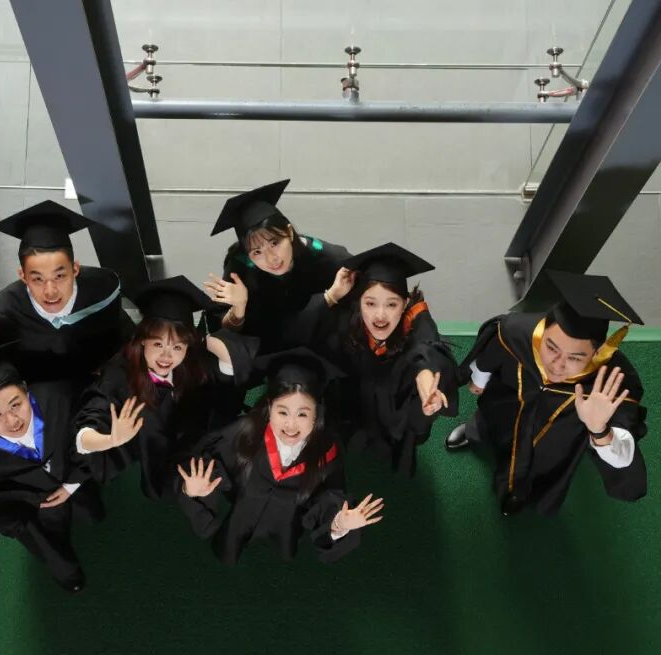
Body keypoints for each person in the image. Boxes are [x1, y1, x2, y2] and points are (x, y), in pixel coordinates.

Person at [445, 270, 648, 516]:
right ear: (542, 328)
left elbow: (625, 457)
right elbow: (492, 353)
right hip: (507, 407)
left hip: (554, 441)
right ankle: (475, 434)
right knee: (488, 425)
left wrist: (599, 430)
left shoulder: (614, 381)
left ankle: (518, 496)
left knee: (539, 472)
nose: (557, 365)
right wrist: (479, 380)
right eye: (551, 348)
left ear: (598, 353)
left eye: (575, 358)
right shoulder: (516, 331)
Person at [176, 349, 384, 565]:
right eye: (282, 412)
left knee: (282, 565)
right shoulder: (244, 434)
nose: (291, 425)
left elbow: (327, 500)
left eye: (302, 414)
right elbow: (211, 465)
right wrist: (191, 490)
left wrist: (339, 523)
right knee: (227, 557)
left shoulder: (326, 453)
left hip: (286, 535)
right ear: (269, 408)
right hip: (237, 527)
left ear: (317, 414)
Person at [0, 200, 134, 412]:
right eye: (37, 279)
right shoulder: (1, 312)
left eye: (60, 276)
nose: (50, 291)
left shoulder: (102, 291)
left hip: (98, 399)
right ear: (22, 276)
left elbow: (125, 339)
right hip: (37, 410)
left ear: (75, 269)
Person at [0, 344, 103, 592]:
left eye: (16, 405)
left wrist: (73, 483)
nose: (12, 421)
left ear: (26, 389)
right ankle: (68, 575)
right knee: (49, 547)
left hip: (71, 476)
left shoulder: (60, 395)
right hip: (27, 506)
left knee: (91, 511)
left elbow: (100, 418)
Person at [73, 275, 258, 500]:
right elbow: (87, 427)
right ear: (142, 340)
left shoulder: (191, 363)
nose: (166, 357)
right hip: (146, 448)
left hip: (186, 440)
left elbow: (230, 373)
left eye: (177, 347)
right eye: (158, 344)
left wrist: (207, 339)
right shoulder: (119, 374)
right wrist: (111, 439)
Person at [305, 242, 459, 479]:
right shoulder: (347, 317)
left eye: (391, 304)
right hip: (355, 397)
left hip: (392, 403)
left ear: (405, 304)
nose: (380, 315)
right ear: (359, 302)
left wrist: (426, 377)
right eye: (370, 303)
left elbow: (427, 346)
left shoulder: (416, 319)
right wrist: (332, 296)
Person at [203, 179, 350, 355]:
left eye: (275, 243)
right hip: (266, 353)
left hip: (321, 349)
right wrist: (238, 308)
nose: (271, 258)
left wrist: (331, 298)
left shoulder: (329, 258)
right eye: (257, 252)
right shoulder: (241, 268)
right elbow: (221, 331)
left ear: (289, 232)